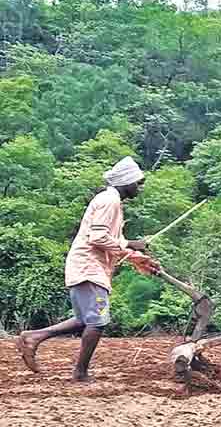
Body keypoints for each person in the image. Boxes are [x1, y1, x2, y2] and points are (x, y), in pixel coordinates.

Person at [14, 156, 159, 382]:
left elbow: (111, 241)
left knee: (84, 319)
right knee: (98, 321)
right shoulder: (110, 201)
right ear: (126, 182)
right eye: (137, 183)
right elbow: (98, 237)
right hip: (88, 268)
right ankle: (80, 373)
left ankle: (34, 337)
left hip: (88, 267)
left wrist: (137, 255)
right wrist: (130, 245)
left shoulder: (112, 202)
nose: (139, 188)